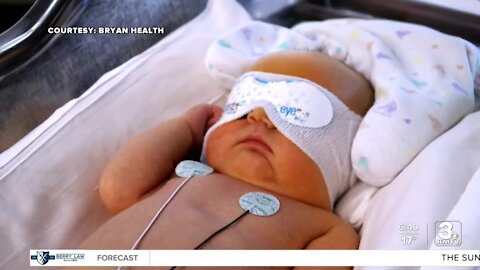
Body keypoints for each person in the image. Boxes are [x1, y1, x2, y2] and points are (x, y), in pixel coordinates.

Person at [77, 50, 374, 270]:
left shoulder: (325, 228)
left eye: (297, 112)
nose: (259, 116)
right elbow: (118, 188)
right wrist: (187, 128)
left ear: (346, 159)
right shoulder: (182, 174)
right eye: (244, 106)